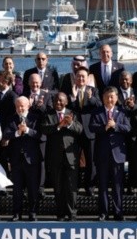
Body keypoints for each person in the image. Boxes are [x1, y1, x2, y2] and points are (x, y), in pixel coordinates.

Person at [40, 92, 83, 221]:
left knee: (71, 187)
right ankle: (60, 214)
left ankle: (72, 214)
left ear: (66, 102)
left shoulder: (73, 114)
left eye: (60, 101)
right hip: (55, 156)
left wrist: (69, 124)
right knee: (58, 187)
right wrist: (59, 126)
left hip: (71, 157)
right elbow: (44, 129)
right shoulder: (49, 115)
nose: (57, 103)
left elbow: (80, 130)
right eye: (55, 101)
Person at [90, 87, 131, 221]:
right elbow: (91, 127)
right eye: (107, 97)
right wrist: (104, 128)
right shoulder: (97, 112)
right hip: (102, 154)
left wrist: (115, 125)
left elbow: (128, 128)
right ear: (103, 98)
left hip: (117, 155)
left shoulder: (122, 112)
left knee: (118, 186)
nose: (110, 100)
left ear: (116, 98)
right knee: (102, 185)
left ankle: (118, 213)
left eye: (112, 97)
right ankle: (103, 213)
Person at [3, 96, 43, 221]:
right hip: (16, 160)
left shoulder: (35, 118)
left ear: (28, 106)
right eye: (18, 106)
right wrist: (17, 133)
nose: (20, 108)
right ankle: (17, 213)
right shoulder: (11, 119)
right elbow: (6, 134)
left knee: (32, 188)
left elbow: (40, 135)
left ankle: (32, 212)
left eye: (22, 106)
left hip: (31, 159)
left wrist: (27, 130)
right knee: (17, 189)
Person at [67, 66, 101, 197]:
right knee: (73, 161)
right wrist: (74, 99)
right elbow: (68, 110)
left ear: (87, 79)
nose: (81, 78)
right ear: (75, 78)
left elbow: (99, 106)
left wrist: (91, 98)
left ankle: (90, 187)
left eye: (83, 77)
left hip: (89, 132)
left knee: (91, 161)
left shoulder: (94, 90)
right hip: (74, 132)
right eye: (78, 76)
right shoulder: (71, 91)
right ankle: (73, 186)